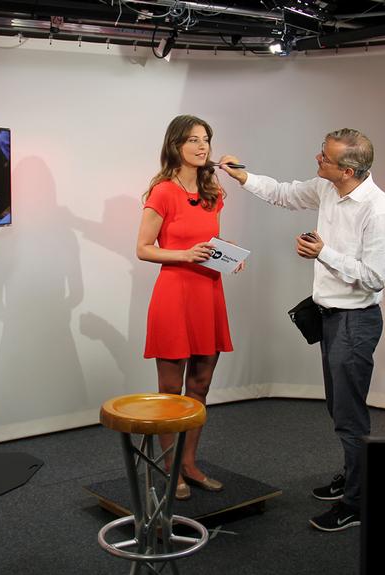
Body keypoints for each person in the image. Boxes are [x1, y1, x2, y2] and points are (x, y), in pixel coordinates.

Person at [219, 128, 385, 531]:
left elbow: (374, 278)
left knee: (349, 416)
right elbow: (284, 193)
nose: (317, 160)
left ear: (348, 170)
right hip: (331, 317)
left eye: (325, 158)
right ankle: (353, 478)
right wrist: (243, 177)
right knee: (339, 410)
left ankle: (357, 502)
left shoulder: (380, 212)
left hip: (355, 322)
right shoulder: (327, 188)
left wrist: (324, 253)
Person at [136, 114, 244, 501]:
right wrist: (184, 254)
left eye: (206, 140)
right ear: (175, 145)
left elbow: (208, 239)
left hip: (208, 293)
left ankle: (190, 464)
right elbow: (143, 248)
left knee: (200, 386)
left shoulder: (213, 190)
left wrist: (227, 255)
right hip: (174, 294)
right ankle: (170, 468)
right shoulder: (163, 191)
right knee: (170, 390)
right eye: (193, 140)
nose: (202, 147)